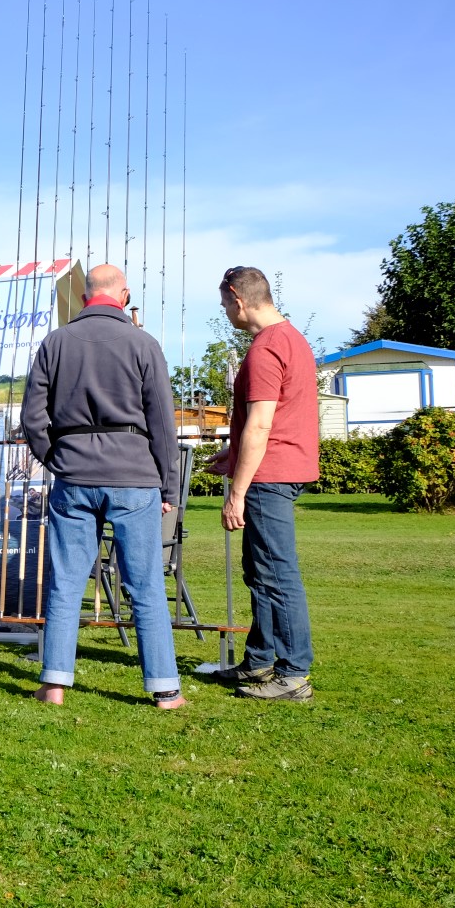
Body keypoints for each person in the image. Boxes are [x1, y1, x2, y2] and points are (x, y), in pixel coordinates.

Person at [20, 263, 185, 709]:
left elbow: (33, 419)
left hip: (73, 476)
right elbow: (163, 425)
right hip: (134, 477)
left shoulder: (55, 343)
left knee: (66, 582)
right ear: (124, 295)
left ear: (84, 296)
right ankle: (165, 690)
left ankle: (54, 682)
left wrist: (55, 458)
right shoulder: (143, 343)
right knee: (145, 584)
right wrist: (169, 486)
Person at [206, 266, 320, 702]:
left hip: (270, 476)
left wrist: (237, 491)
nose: (225, 312)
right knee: (260, 571)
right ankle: (260, 661)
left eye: (223, 304)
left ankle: (293, 674)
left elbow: (260, 425)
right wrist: (233, 456)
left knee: (276, 574)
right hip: (280, 468)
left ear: (237, 297)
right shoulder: (290, 338)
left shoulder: (266, 348)